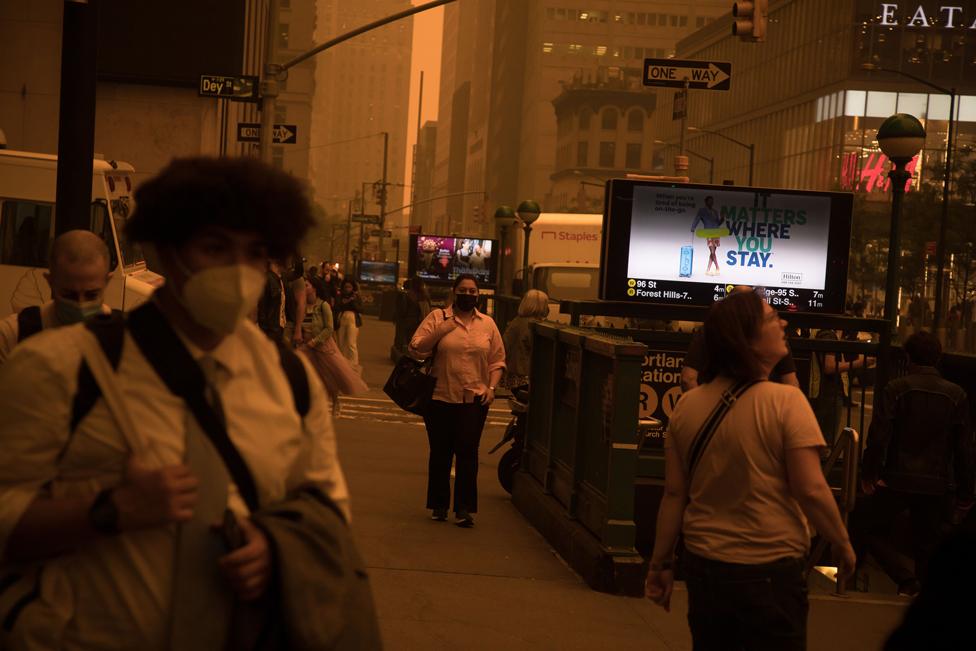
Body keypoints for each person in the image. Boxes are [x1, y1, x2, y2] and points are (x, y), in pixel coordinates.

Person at [0, 157, 351, 648]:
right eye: (213, 247)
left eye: (254, 252)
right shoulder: (58, 369)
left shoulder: (289, 380)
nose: (237, 271)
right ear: (161, 251)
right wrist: (110, 510)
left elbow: (326, 509)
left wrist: (275, 547)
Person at [646, 291, 855, 650]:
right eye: (774, 318)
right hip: (770, 572)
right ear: (750, 338)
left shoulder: (687, 407)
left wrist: (660, 564)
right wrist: (841, 542)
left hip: (704, 567)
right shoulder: (786, 403)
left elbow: (674, 495)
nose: (783, 323)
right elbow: (811, 489)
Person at [851, 331, 973, 597]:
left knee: (863, 524)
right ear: (938, 358)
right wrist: (966, 492)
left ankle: (903, 579)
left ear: (908, 357)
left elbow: (879, 437)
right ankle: (921, 595)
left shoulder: (895, 389)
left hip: (896, 478)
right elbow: (963, 449)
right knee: (928, 544)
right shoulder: (957, 395)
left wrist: (870, 473)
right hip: (938, 483)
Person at [409, 274, 506, 527]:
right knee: (441, 452)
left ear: (478, 294)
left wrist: (492, 387)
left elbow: (497, 361)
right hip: (440, 396)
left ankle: (464, 508)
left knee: (468, 452)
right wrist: (442, 330)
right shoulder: (437, 318)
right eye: (464, 290)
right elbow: (416, 347)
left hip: (473, 398)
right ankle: (439, 505)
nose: (469, 295)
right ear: (454, 292)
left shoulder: (488, 324)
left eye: (473, 291)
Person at [0, 230, 112, 365]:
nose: (80, 305)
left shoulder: (123, 340)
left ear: (107, 282)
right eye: (69, 295)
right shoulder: (11, 336)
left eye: (91, 295)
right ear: (50, 281)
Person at [680, 286, 800, 392]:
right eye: (772, 317)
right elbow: (791, 382)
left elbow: (688, 378)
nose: (783, 323)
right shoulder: (772, 336)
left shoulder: (708, 332)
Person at [297, 279, 367, 408]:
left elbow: (329, 328)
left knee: (330, 375)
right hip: (306, 345)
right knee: (306, 374)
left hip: (322, 345)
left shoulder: (323, 305)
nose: (304, 288)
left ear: (314, 288)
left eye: (307, 285)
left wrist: (315, 341)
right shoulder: (302, 305)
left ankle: (335, 401)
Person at [501, 289, 549, 389]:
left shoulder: (516, 321)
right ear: (540, 306)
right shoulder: (534, 326)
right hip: (525, 378)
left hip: (510, 376)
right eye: (545, 304)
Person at [335, 279, 363, 375]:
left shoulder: (356, 296)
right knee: (341, 343)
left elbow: (360, 309)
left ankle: (354, 367)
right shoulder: (339, 295)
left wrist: (353, 300)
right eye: (346, 287)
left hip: (353, 319)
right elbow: (338, 306)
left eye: (349, 287)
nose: (347, 289)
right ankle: (341, 365)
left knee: (351, 344)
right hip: (342, 318)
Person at [255, 258, 287, 343]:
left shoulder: (278, 279)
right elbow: (262, 305)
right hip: (271, 329)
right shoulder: (268, 279)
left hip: (276, 327)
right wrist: (264, 329)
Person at [284, 256, 307, 348]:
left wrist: (298, 329)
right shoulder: (278, 275)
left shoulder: (297, 278)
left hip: (288, 324)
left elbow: (301, 304)